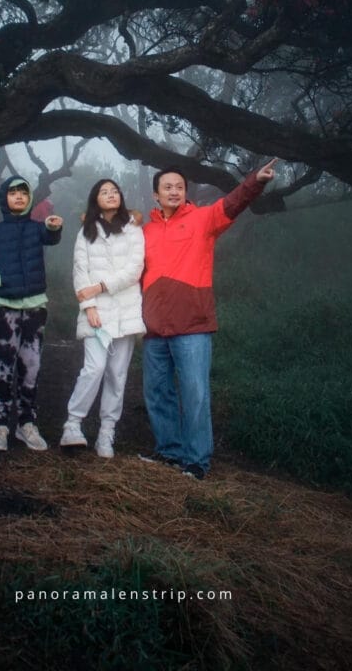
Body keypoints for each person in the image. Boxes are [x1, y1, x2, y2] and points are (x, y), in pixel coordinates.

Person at [140, 159, 277, 480]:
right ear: (155, 196)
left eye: (179, 187)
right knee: (157, 393)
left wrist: (255, 181)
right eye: (167, 187)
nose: (174, 191)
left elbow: (233, 203)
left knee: (195, 393)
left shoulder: (203, 219)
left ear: (186, 193)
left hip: (193, 324)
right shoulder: (144, 231)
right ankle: (169, 453)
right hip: (154, 327)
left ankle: (196, 462)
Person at [0, 176, 63, 452]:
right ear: (5, 199)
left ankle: (27, 425)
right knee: (3, 367)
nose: (20, 197)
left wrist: (54, 227)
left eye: (24, 193)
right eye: (13, 193)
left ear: (29, 199)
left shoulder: (38, 229)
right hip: (5, 309)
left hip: (35, 307)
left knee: (31, 367)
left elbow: (51, 236)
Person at [60, 179, 145, 458]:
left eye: (115, 191)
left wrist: (100, 286)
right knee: (94, 369)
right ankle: (73, 425)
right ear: (95, 200)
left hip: (127, 311)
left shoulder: (133, 229)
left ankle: (106, 433)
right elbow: (80, 271)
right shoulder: (86, 232)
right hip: (96, 313)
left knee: (117, 375)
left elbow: (135, 269)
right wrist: (89, 305)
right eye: (104, 192)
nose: (111, 195)